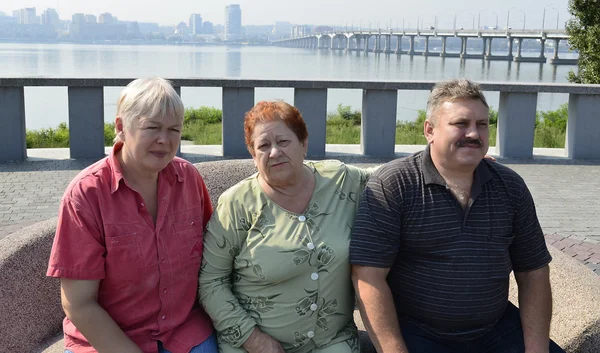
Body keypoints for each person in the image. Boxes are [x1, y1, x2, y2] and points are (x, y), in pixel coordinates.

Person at [350, 78, 565, 353]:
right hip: (418, 332)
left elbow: (533, 272)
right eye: (461, 124)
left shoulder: (509, 187)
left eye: (483, 124)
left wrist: (536, 349)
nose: (474, 134)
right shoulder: (394, 184)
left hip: (495, 329)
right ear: (430, 130)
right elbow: (368, 278)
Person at [47, 77, 217, 353]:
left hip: (183, 331)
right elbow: (78, 303)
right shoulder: (87, 195)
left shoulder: (189, 180)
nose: (165, 140)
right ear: (121, 127)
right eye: (152, 128)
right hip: (106, 339)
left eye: (174, 129)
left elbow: (214, 260)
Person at [198, 101, 377, 353]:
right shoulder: (236, 203)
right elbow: (211, 281)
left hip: (332, 342)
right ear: (253, 155)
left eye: (283, 142)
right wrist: (255, 340)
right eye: (263, 146)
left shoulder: (342, 181)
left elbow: (390, 180)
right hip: (253, 345)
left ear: (303, 143)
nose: (274, 152)